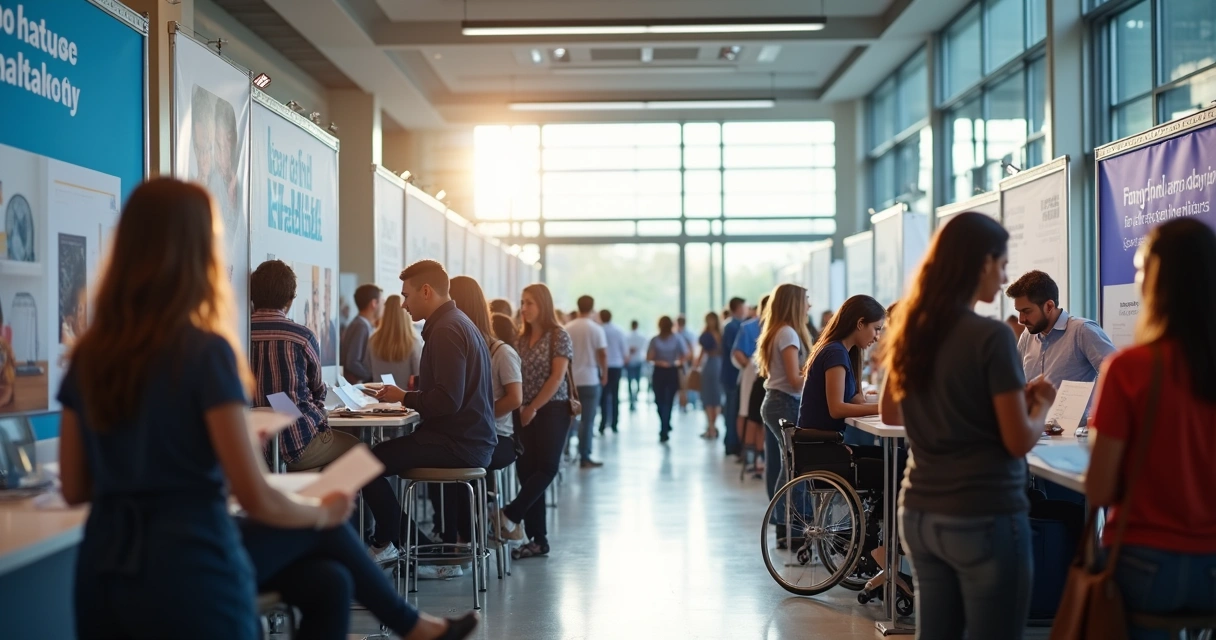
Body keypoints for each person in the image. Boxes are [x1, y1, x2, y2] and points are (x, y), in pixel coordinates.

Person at [56, 179, 475, 640]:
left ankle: (414, 625)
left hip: (104, 573)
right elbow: (254, 494)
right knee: (329, 536)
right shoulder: (205, 351)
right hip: (194, 562)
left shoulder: (90, 355)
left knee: (330, 583)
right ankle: (411, 624)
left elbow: (75, 487)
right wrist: (321, 512)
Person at [880, 212, 1057, 640]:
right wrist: (1040, 405)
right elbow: (1018, 440)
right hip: (984, 512)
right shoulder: (991, 337)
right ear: (981, 263)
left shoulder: (912, 330)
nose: (1004, 277)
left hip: (920, 511)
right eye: (1002, 264)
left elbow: (891, 413)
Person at [1086, 218, 1216, 640]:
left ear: (1158, 281)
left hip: (1145, 558)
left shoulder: (1129, 369)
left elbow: (1099, 488)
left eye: (1141, 269)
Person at [366, 260, 497, 556]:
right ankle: (398, 543)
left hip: (459, 443)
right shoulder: (455, 323)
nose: (403, 304)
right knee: (371, 459)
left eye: (406, 296)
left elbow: (448, 400)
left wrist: (404, 397)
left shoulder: (447, 330)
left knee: (366, 464)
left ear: (426, 291)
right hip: (466, 439)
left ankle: (413, 548)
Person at [249, 260, 360, 472]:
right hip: (297, 443)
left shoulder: (237, 333)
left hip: (251, 450)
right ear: (290, 299)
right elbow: (317, 389)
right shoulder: (302, 337)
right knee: (358, 449)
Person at [492, 284, 575, 559]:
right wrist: (522, 408)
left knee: (547, 467)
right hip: (522, 409)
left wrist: (533, 408)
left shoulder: (559, 336)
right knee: (527, 473)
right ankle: (537, 539)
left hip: (552, 409)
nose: (524, 308)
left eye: (529, 303)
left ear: (543, 305)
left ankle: (510, 513)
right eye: (522, 302)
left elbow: (557, 377)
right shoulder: (520, 338)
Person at [450, 277, 520, 474]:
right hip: (462, 434)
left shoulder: (502, 352)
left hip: (495, 435)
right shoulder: (457, 347)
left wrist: (479, 418)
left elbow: (515, 398)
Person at [1006, 270, 1116, 388]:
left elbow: (1116, 373)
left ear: (1049, 306)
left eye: (1026, 311)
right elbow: (1015, 378)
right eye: (1019, 312)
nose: (1021, 320)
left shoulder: (1082, 330)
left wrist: (1091, 396)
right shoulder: (1027, 335)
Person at [757, 284, 813, 503]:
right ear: (795, 303)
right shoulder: (788, 333)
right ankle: (786, 519)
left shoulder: (779, 331)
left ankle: (785, 518)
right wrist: (819, 376)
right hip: (784, 402)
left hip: (778, 400)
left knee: (790, 463)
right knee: (793, 466)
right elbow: (795, 381)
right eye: (806, 300)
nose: (809, 305)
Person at [564, 295, 608, 468]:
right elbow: (603, 354)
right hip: (590, 379)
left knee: (569, 419)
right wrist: (604, 374)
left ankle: (564, 452)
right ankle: (584, 456)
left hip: (571, 381)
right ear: (592, 307)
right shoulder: (596, 329)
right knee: (588, 421)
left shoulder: (567, 328)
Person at [647, 316, 688, 443]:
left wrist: (670, 362)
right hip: (666, 370)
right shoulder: (660, 339)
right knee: (665, 401)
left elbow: (649, 357)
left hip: (666, 371)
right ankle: (665, 423)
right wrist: (673, 362)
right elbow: (685, 354)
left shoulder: (671, 338)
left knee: (663, 400)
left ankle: (664, 426)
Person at [367, 294, 423, 386]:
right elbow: (419, 374)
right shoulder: (414, 342)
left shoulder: (372, 340)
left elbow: (368, 369)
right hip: (404, 394)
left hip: (378, 393)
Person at [719, 297, 747, 455]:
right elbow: (735, 351)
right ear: (738, 308)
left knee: (732, 409)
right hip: (732, 375)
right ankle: (731, 443)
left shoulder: (732, 325)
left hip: (731, 374)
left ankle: (731, 441)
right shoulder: (732, 326)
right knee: (731, 409)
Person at [341, 284, 382, 384]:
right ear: (374, 303)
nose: (383, 307)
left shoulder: (361, 324)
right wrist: (372, 376)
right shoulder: (361, 326)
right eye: (382, 302)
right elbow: (352, 362)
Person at [598, 309, 629, 435]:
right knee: (615, 395)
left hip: (602, 367)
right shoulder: (619, 331)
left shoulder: (599, 330)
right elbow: (625, 351)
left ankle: (603, 423)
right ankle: (615, 423)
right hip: (616, 366)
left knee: (604, 396)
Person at [695, 311, 724, 440]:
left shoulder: (706, 335)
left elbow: (701, 353)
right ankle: (712, 426)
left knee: (708, 396)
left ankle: (711, 426)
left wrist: (695, 366)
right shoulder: (722, 334)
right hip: (719, 364)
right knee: (716, 396)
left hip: (710, 364)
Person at [676, 315, 699, 411]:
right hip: (685, 362)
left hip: (683, 362)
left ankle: (684, 403)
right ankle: (686, 403)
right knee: (684, 384)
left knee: (683, 384)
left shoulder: (677, 335)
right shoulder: (689, 334)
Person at [625, 319, 649, 410]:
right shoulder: (641, 336)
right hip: (638, 360)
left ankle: (632, 399)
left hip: (630, 361)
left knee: (630, 382)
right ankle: (635, 397)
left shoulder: (627, 336)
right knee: (638, 381)